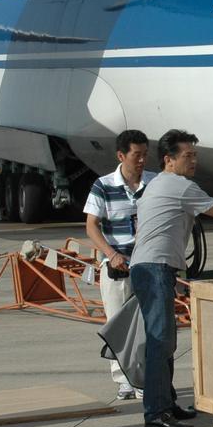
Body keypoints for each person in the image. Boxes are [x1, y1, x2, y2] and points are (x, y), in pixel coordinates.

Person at [130, 130, 213, 427]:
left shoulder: (157, 183)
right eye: (188, 156)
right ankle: (156, 412)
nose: (194, 161)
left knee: (165, 339)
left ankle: (165, 403)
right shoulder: (178, 185)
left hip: (152, 267)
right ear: (169, 160)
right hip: (154, 267)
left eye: (195, 155)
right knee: (160, 341)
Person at [84, 129, 156, 400]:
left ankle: (142, 378)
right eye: (136, 155)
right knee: (118, 323)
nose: (141, 161)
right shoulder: (103, 185)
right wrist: (110, 254)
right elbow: (91, 226)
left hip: (148, 265)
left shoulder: (154, 182)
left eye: (145, 155)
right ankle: (124, 379)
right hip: (117, 266)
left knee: (147, 325)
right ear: (121, 155)